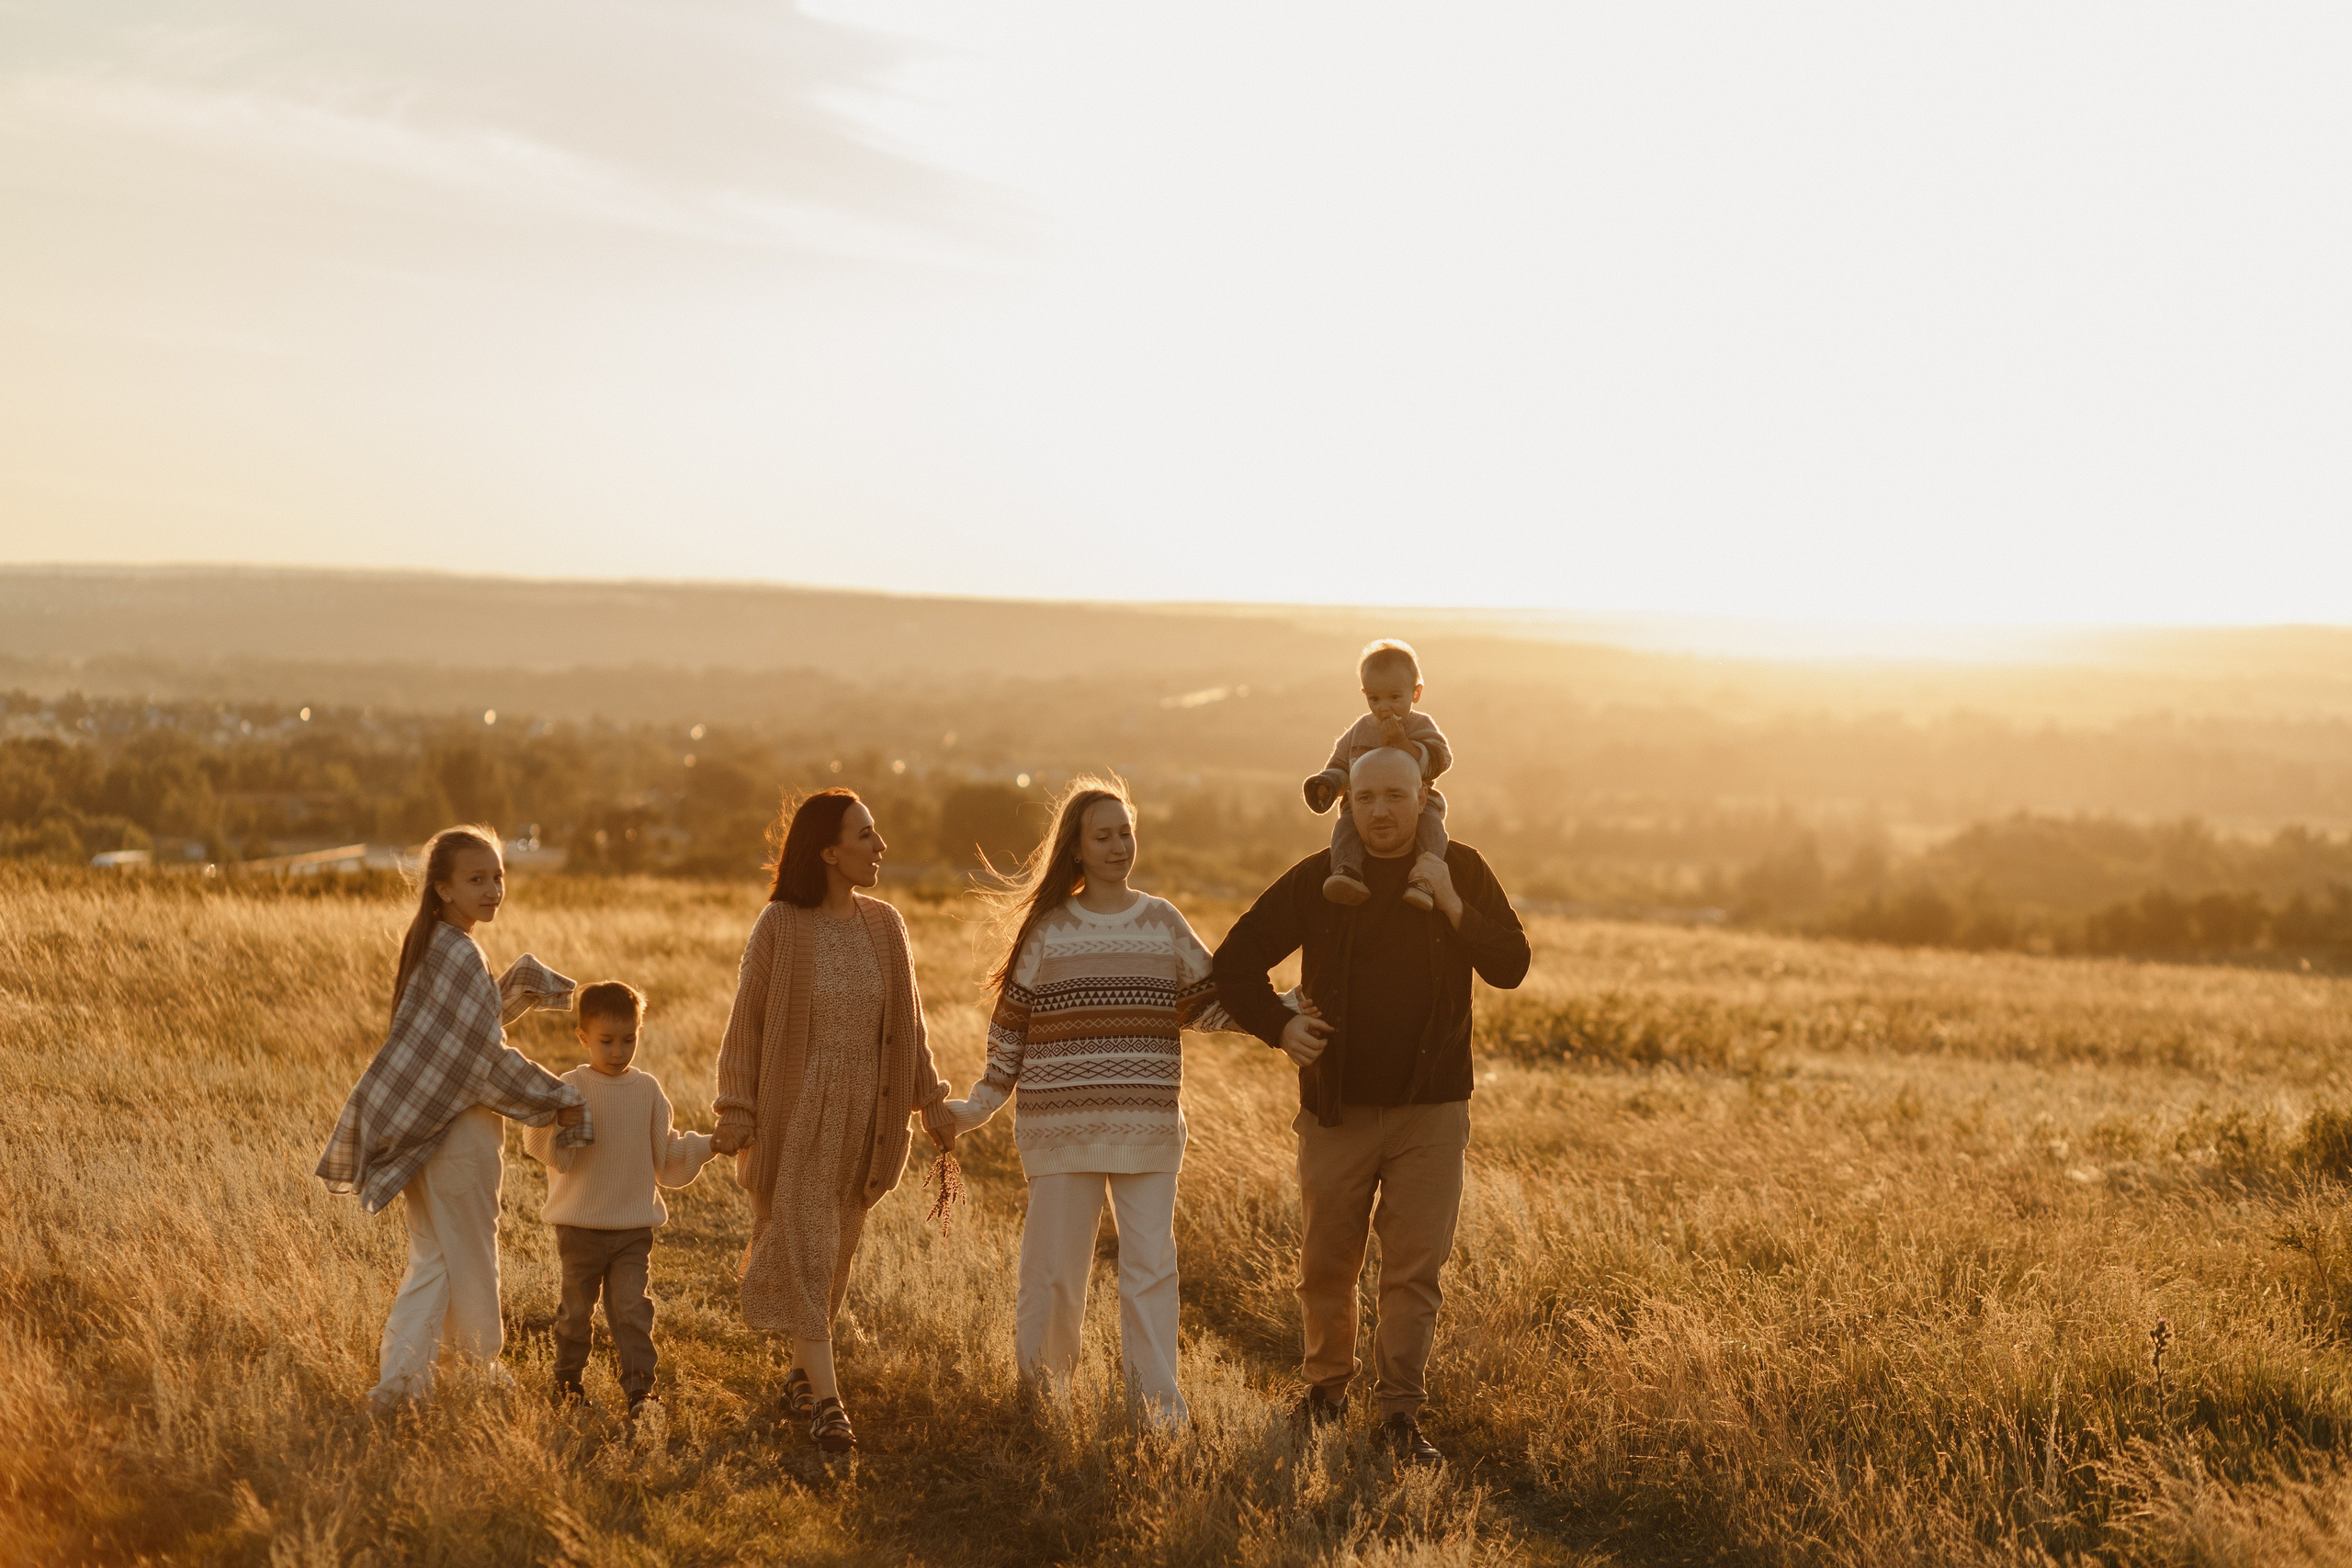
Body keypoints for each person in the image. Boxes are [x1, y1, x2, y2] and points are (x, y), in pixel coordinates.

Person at [1212, 749, 1531, 1464]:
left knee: (1414, 1269)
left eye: (1396, 795)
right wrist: (1281, 1025)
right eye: (1366, 798)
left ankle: (1399, 1417)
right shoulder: (1324, 876)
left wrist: (1452, 901)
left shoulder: (1464, 869)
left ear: (1425, 796)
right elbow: (1233, 962)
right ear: (1347, 802)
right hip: (1337, 1108)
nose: (1381, 810)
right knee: (1328, 1262)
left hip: (1432, 1109)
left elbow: (1511, 963)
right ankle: (1324, 1394)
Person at [941, 777, 1231, 1429]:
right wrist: (978, 1104)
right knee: (1054, 1274)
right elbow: (1009, 1027)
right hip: (1059, 1126)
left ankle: (1158, 1415)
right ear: (1075, 848)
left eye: (1125, 831)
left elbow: (1212, 1001)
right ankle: (1042, 1405)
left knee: (1151, 1270)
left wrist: (1287, 1012)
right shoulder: (1048, 930)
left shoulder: (1161, 921)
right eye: (1102, 836)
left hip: (1148, 1124)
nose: (1118, 846)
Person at [710, 788, 956, 1453]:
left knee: (835, 1253)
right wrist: (737, 1110)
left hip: (865, 1117)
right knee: (809, 1248)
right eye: (866, 836)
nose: (880, 848)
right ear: (827, 850)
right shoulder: (781, 927)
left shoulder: (887, 925)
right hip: (799, 1115)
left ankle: (797, 1374)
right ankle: (828, 1402)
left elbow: (910, 1028)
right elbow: (746, 1027)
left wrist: (930, 1101)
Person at [315, 824, 591, 1416]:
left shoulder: (436, 943)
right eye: (476, 880)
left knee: (438, 1256)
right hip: (456, 1134)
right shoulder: (458, 951)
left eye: (498, 876)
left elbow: (462, 1037)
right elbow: (478, 1061)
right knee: (466, 1253)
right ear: (442, 888)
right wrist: (558, 1095)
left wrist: (508, 992)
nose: (493, 889)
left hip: (427, 1129)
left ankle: (412, 1381)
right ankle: (464, 1372)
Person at [521, 980, 715, 1423]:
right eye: (606, 1041)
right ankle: (568, 1384)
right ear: (583, 1037)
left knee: (631, 1310)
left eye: (629, 1040)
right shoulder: (570, 1087)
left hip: (631, 1229)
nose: (617, 1051)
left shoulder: (647, 1090)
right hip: (580, 1228)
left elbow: (666, 1158)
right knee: (575, 1312)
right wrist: (554, 1122)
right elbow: (548, 1151)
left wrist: (710, 1145)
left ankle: (641, 1395)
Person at [1305, 638, 1453, 911]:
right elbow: (1340, 765)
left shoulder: (1420, 725)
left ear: (1415, 693)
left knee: (1432, 825)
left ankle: (1425, 880)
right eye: (1375, 698)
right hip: (1365, 804)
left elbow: (1441, 759)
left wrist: (1404, 744)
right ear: (1365, 694)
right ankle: (1347, 871)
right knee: (1347, 824)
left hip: (1415, 802)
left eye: (1395, 697)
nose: (1384, 706)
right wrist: (1328, 784)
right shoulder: (1361, 729)